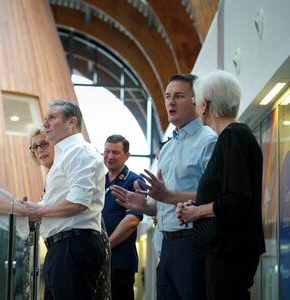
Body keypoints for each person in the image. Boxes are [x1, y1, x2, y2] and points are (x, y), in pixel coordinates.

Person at [111, 74, 217, 300]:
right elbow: (163, 204)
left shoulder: (208, 141)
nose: (170, 102)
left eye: (178, 96)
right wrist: (145, 205)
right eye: (168, 96)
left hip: (193, 243)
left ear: (196, 101)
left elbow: (214, 196)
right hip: (166, 245)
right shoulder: (167, 148)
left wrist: (167, 196)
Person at [175, 70, 265, 299]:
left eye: (196, 102)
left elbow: (237, 199)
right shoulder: (238, 136)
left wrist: (196, 212)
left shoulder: (232, 137)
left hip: (229, 249)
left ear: (204, 105)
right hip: (231, 247)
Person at [25, 100, 106, 300]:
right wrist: (28, 208)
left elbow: (77, 202)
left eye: (51, 118)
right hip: (62, 247)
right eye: (45, 119)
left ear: (71, 122)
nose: (45, 125)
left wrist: (37, 211)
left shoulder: (79, 151)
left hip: (73, 245)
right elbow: (54, 203)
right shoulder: (64, 156)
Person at [102, 134, 143, 300]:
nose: (110, 156)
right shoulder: (98, 181)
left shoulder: (134, 181)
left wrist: (105, 247)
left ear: (126, 155)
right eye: (106, 152)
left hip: (119, 262)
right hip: (97, 260)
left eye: (115, 152)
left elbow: (132, 220)